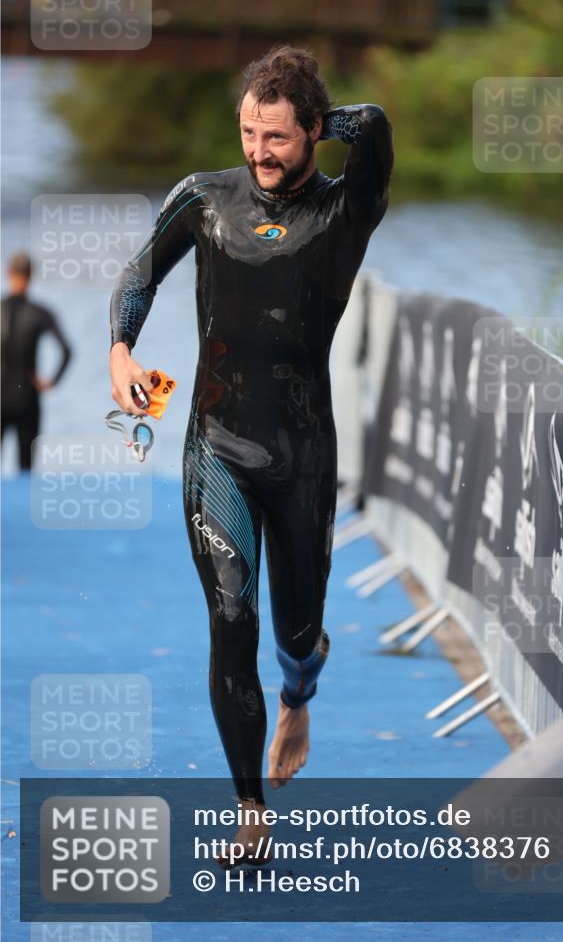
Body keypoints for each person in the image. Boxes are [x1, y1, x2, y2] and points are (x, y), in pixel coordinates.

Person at [109, 45, 393, 862]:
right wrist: (122, 352)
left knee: (296, 634)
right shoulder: (203, 199)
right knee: (230, 618)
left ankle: (300, 689)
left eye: (277, 137)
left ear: (311, 132)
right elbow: (139, 273)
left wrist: (311, 105)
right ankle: (249, 809)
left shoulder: (347, 212)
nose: (258, 154)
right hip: (217, 449)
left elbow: (372, 126)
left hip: (302, 457)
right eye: (246, 133)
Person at [1, 251, 72, 471]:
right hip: (27, 397)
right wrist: (51, 382)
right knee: (25, 470)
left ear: (8, 273)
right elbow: (67, 351)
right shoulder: (40, 313)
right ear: (31, 276)